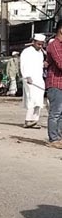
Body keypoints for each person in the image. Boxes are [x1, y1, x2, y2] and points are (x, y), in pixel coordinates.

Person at [19, 34, 46, 129]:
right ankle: (28, 120)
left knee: (39, 100)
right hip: (29, 79)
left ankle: (35, 120)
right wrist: (27, 76)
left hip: (39, 79)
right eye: (38, 44)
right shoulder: (26, 52)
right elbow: (23, 65)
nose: (40, 46)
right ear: (34, 42)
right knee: (32, 99)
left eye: (42, 44)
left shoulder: (41, 53)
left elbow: (39, 66)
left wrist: (44, 64)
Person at [46, 21, 62, 149]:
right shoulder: (55, 44)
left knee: (61, 114)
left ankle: (59, 137)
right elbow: (60, 63)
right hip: (55, 83)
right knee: (55, 113)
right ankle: (53, 139)